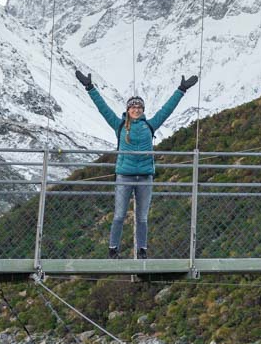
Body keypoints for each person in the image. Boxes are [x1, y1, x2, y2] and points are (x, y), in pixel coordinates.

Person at [75, 69, 198, 259]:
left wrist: (181, 89)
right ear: (128, 109)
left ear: (143, 110)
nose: (136, 109)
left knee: (142, 217)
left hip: (145, 175)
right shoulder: (119, 124)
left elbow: (167, 109)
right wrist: (89, 87)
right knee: (119, 215)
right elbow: (103, 108)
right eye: (133, 107)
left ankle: (142, 251)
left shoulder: (150, 124)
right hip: (124, 175)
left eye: (139, 107)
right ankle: (113, 249)